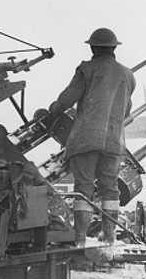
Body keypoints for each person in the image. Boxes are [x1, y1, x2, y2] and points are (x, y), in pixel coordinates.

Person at [48, 28, 136, 247]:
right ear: (114, 48)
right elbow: (126, 110)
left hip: (86, 140)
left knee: (84, 188)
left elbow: (67, 99)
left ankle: (80, 238)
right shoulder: (127, 75)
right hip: (113, 141)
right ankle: (109, 237)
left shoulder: (87, 69)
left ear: (93, 48)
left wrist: (54, 110)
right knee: (110, 188)